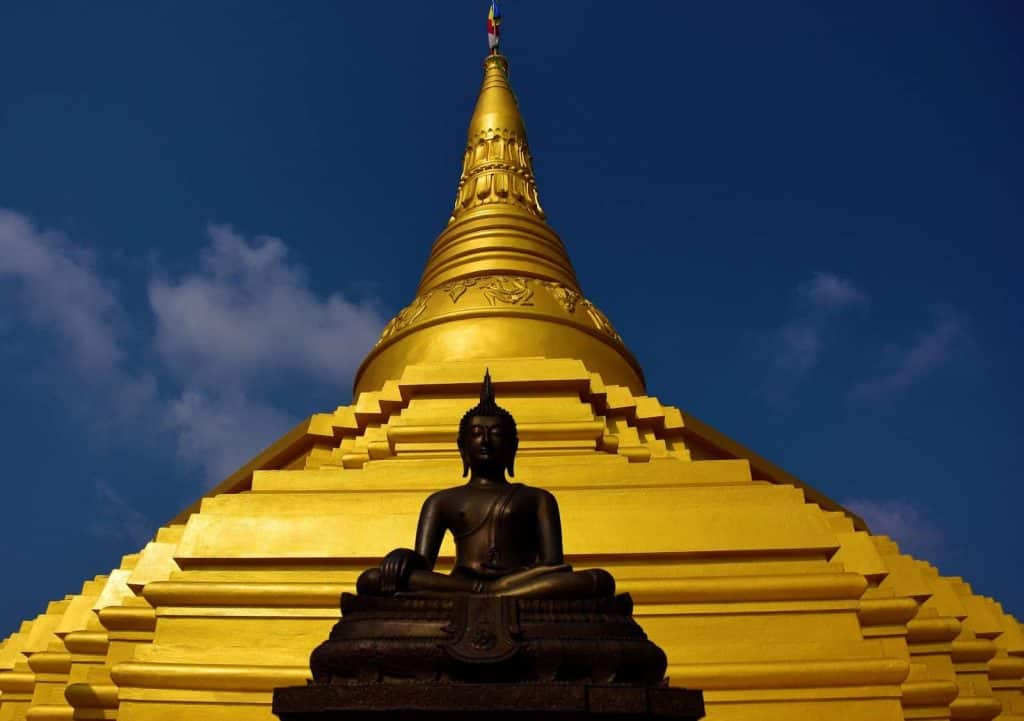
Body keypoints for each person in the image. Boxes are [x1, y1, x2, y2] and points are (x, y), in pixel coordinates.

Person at [357, 371, 614, 599]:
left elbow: (553, 566)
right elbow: (424, 565)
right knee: (371, 579)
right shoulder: (441, 501)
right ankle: (490, 593)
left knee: (600, 580)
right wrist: (404, 558)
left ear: (513, 447)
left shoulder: (537, 499)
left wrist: (515, 577)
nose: (486, 441)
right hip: (461, 583)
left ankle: (494, 591)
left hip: (520, 581)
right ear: (462, 446)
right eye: (477, 433)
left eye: (497, 434)